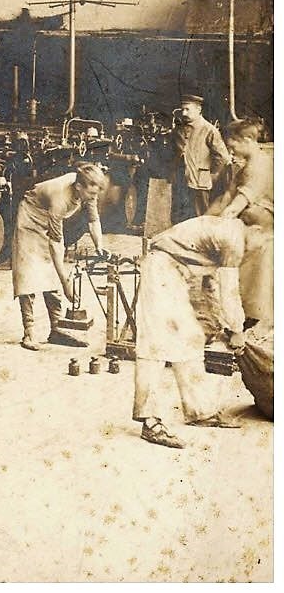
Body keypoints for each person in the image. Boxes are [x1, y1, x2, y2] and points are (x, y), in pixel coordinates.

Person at [132, 215, 248, 447]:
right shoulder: (234, 238)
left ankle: (199, 411)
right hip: (161, 268)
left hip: (173, 272)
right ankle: (150, 421)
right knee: (156, 343)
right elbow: (229, 291)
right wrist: (237, 329)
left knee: (191, 338)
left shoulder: (228, 228)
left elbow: (211, 286)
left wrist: (223, 324)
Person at [12, 163, 106, 351]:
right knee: (28, 274)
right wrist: (66, 284)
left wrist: (100, 247)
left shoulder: (88, 188)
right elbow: (56, 244)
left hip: (47, 219)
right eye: (92, 194)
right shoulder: (60, 198)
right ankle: (29, 333)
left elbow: (93, 220)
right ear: (79, 187)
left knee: (51, 273)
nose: (94, 198)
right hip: (30, 218)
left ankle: (56, 329)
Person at [207, 118, 273, 326]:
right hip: (248, 226)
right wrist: (203, 220)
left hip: (263, 231)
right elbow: (226, 197)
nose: (230, 150)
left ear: (246, 140)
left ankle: (248, 321)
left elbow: (234, 207)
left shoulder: (259, 167)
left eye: (232, 145)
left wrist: (214, 226)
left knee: (241, 275)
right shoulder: (245, 167)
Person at [170, 93, 231, 223]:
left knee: (200, 217)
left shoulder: (209, 130)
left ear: (199, 110)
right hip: (180, 181)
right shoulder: (178, 130)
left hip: (200, 182)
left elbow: (223, 157)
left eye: (188, 109)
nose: (184, 113)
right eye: (183, 109)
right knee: (179, 216)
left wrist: (213, 175)